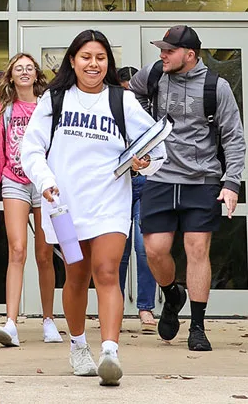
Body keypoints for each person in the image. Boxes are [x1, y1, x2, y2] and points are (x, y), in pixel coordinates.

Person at [20, 29, 166, 386]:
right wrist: (45, 180)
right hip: (64, 205)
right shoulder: (54, 100)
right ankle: (78, 345)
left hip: (110, 203)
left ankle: (110, 352)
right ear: (72, 60)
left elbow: (157, 146)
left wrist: (144, 163)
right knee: (77, 276)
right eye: (86, 57)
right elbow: (31, 150)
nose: (93, 64)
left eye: (100, 58)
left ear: (108, 63)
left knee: (106, 271)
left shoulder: (122, 101)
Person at [128, 25, 246, 351]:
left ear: (189, 55)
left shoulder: (216, 87)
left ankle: (197, 326)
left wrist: (232, 181)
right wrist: (142, 130)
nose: (162, 55)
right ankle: (172, 294)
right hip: (159, 177)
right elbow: (129, 98)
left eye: (169, 50)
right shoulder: (152, 75)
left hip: (202, 179)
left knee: (197, 250)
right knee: (154, 249)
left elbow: (234, 137)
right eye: (161, 49)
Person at [0, 53, 63, 347]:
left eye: (30, 68)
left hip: (44, 185)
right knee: (17, 250)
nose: (25, 72)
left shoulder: (48, 106)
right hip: (14, 181)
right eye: (19, 69)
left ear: (37, 75)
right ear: (11, 76)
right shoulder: (3, 110)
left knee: (45, 254)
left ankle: (49, 321)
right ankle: (11, 323)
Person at [117, 66, 157, 334]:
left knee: (144, 248)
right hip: (118, 186)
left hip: (145, 184)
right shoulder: (109, 112)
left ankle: (145, 308)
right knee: (118, 249)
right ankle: (114, 307)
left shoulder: (145, 115)